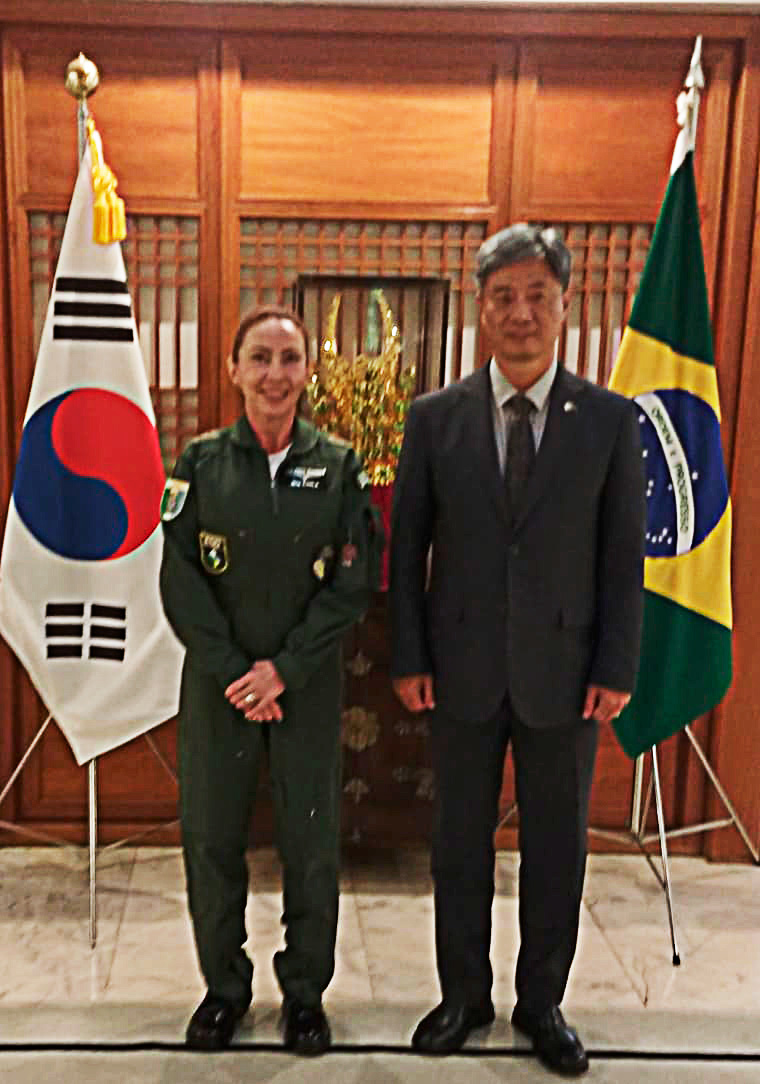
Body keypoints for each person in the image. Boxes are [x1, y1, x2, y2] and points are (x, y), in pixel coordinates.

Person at [389, 224, 645, 1075]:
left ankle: (542, 1004)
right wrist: (410, 655)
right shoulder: (435, 418)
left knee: (556, 850)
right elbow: (408, 550)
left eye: (538, 295)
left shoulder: (609, 421)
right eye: (503, 296)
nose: (521, 312)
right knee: (457, 844)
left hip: (567, 676)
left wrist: (616, 666)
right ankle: (462, 997)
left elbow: (622, 557)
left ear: (566, 306)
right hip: (458, 670)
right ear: (481, 308)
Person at [159, 305, 382, 1056]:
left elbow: (352, 582)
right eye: (260, 358)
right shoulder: (200, 464)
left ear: (307, 372)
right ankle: (224, 991)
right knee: (211, 841)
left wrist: (283, 670)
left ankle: (305, 995)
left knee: (311, 844)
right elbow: (180, 578)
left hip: (305, 688)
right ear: (234, 370)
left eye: (289, 359)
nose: (275, 375)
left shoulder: (338, 465)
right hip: (217, 689)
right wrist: (236, 673)